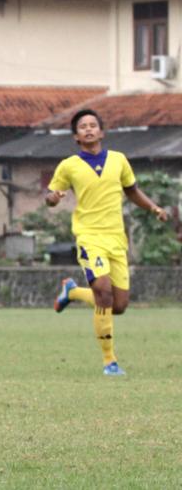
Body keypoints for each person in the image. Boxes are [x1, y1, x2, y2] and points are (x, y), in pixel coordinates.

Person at [49, 109, 168, 376]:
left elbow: (133, 191)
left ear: (101, 132)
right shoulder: (69, 165)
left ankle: (73, 292)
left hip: (116, 238)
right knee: (103, 291)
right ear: (76, 136)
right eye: (83, 126)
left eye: (93, 125)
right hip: (89, 236)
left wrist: (154, 208)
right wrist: (53, 199)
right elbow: (51, 196)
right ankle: (109, 361)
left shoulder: (119, 160)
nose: (89, 129)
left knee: (119, 305)